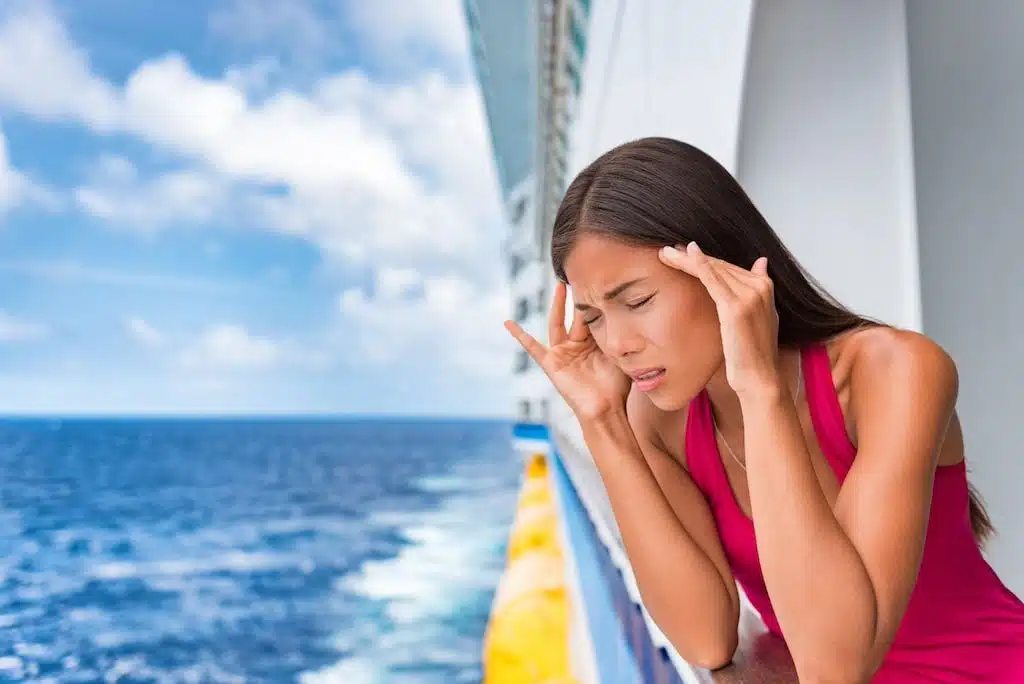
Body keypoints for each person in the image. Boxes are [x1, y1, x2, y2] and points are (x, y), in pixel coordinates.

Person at [503, 137, 1024, 683]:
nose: (618, 344)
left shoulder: (895, 370)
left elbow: (835, 667)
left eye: (636, 303)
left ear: (723, 271)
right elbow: (705, 638)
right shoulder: (660, 419)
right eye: (595, 317)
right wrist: (603, 422)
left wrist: (759, 388)